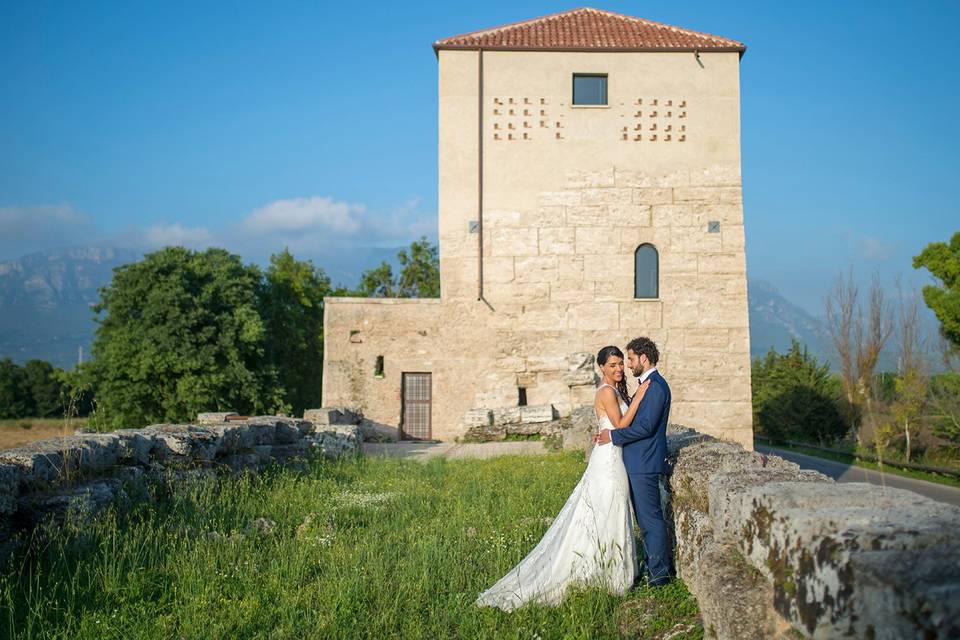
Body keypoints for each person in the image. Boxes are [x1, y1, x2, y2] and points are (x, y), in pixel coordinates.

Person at [476, 345, 650, 611]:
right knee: (607, 510)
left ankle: (612, 570)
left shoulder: (613, 390)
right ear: (601, 367)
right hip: (608, 462)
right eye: (612, 365)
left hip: (613, 457)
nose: (618, 369)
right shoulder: (606, 392)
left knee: (610, 512)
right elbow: (621, 424)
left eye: (620, 364)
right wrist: (640, 397)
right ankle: (606, 573)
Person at [594, 336, 672, 586]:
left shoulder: (656, 386)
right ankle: (652, 567)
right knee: (644, 520)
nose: (627, 365)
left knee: (650, 521)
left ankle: (659, 576)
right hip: (637, 462)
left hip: (645, 463)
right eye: (620, 362)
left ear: (643, 358)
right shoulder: (645, 384)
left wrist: (613, 435)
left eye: (629, 359)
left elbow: (647, 427)